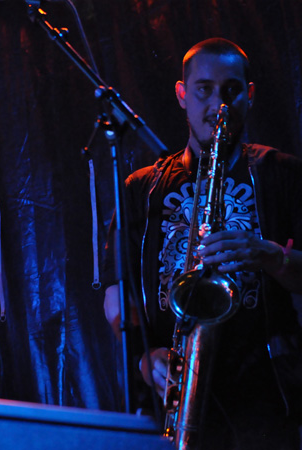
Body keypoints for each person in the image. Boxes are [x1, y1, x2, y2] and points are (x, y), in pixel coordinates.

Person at [103, 38, 302, 449]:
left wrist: (270, 255)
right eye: (204, 90)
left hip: (267, 402)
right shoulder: (140, 188)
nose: (218, 105)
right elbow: (117, 301)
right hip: (175, 398)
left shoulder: (283, 173)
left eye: (231, 90)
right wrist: (145, 360)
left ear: (249, 94)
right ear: (182, 94)